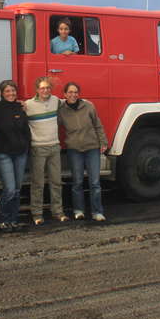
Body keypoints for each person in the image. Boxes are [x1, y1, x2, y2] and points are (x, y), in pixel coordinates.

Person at [58, 82, 108, 221]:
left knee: (95, 182)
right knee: (77, 182)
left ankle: (97, 212)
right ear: (65, 94)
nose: (73, 95)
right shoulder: (61, 110)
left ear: (78, 94)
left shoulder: (88, 106)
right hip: (74, 149)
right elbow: (54, 125)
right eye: (70, 92)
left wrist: (103, 142)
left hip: (92, 147)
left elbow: (98, 125)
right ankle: (78, 210)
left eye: (75, 92)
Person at [24, 76, 69, 225]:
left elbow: (70, 102)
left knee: (56, 181)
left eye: (48, 88)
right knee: (38, 183)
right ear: (37, 90)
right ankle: (37, 214)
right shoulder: (28, 105)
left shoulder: (56, 101)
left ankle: (58, 212)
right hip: (38, 148)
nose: (45, 90)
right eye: (42, 88)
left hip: (55, 147)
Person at [0, 80, 31, 232]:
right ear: (2, 93)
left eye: (13, 91)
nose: (11, 94)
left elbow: (25, 130)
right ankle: (3, 219)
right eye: (7, 91)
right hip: (4, 154)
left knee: (17, 189)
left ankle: (13, 219)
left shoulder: (20, 107)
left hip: (20, 154)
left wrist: (26, 147)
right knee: (9, 189)